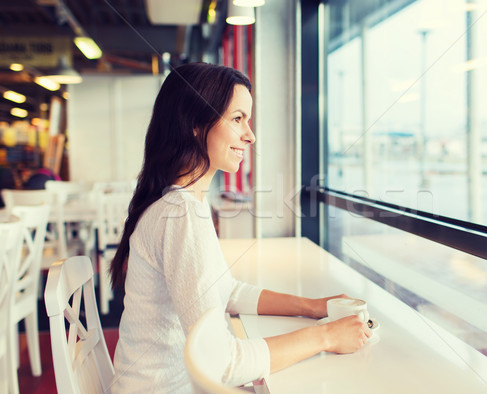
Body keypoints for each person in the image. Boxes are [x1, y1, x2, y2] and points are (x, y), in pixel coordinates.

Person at [109, 62, 371, 392]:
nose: (250, 135)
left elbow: (227, 291)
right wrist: (327, 336)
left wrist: (313, 307)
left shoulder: (183, 204)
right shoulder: (180, 214)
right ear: (195, 124)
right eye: (237, 119)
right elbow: (220, 362)